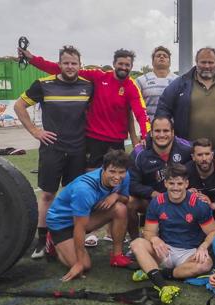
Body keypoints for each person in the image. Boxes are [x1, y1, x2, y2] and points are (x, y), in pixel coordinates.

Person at [13, 45, 93, 259]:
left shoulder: (88, 86)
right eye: (66, 63)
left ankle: (70, 237)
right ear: (59, 64)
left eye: (73, 63)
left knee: (74, 195)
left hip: (78, 149)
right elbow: (19, 106)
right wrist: (35, 131)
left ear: (79, 65)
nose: (69, 66)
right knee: (48, 194)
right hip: (52, 149)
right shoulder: (43, 84)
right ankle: (42, 241)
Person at [20, 47, 150, 168]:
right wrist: (32, 59)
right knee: (90, 178)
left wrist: (145, 136)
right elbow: (62, 69)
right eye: (120, 64)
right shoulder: (99, 76)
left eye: (127, 65)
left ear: (131, 67)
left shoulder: (132, 87)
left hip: (116, 142)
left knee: (114, 179)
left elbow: (141, 113)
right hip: (92, 139)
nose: (123, 67)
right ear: (114, 64)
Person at [130, 163, 215, 304]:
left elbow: (213, 231)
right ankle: (163, 285)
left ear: (186, 183)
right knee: (137, 244)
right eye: (171, 183)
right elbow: (148, 231)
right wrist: (154, 239)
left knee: (206, 264)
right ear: (165, 183)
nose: (175, 187)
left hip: (189, 253)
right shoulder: (157, 202)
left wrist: (204, 246)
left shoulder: (198, 204)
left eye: (179, 183)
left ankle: (156, 272)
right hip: (165, 249)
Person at [45, 150, 132, 281]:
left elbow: (125, 199)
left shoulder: (125, 176)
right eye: (112, 172)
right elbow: (79, 227)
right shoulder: (84, 189)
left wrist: (116, 196)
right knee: (85, 265)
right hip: (62, 223)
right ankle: (53, 241)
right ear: (103, 169)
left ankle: (117, 256)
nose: (117, 177)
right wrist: (79, 263)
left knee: (120, 208)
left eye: (121, 172)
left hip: (85, 217)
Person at [127, 117, 192, 240]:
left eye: (166, 131)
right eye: (157, 131)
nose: (161, 135)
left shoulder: (185, 148)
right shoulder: (139, 154)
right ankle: (136, 241)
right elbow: (131, 184)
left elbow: (205, 149)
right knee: (130, 202)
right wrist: (153, 193)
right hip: (152, 201)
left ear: (173, 133)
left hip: (181, 198)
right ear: (151, 133)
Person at [135, 46, 178, 122]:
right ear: (152, 61)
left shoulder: (178, 81)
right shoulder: (140, 81)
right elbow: (134, 107)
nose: (161, 57)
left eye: (165, 56)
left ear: (169, 62)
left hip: (172, 130)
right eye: (158, 56)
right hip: (148, 130)